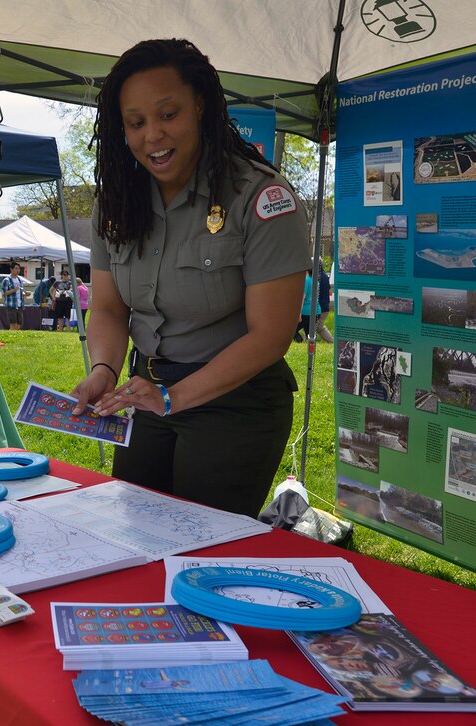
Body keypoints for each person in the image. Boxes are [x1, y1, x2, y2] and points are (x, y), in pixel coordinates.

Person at [70, 38, 309, 518]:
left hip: (235, 403)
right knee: (135, 531)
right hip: (145, 393)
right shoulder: (115, 204)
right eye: (136, 123)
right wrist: (103, 371)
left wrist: (172, 397)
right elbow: (111, 308)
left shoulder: (260, 197)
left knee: (200, 551)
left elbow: (270, 336)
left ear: (201, 106)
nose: (152, 135)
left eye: (168, 114)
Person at [1, 263, 26, 330]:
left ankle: (15, 337)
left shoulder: (20, 280)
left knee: (19, 325)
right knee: (13, 324)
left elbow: (21, 291)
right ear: (11, 269)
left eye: (19, 268)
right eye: (16, 268)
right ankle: (10, 338)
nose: (18, 270)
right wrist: (14, 290)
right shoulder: (6, 280)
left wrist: (25, 294)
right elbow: (4, 293)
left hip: (19, 305)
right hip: (11, 305)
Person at [316, 261, 334, 343]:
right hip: (324, 306)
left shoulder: (319, 277)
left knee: (318, 327)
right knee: (317, 326)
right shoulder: (324, 276)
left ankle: (332, 341)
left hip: (321, 307)